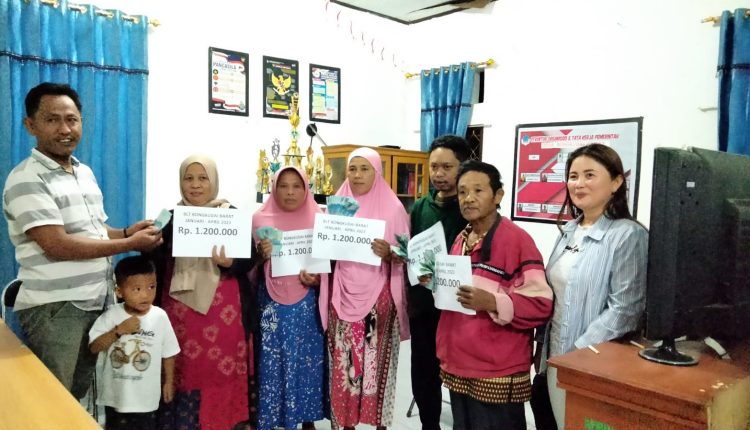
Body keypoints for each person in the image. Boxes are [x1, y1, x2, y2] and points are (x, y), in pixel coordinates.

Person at [2, 82, 162, 399]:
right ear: (30, 125)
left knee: (75, 398)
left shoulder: (83, 172)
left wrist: (127, 232)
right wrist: (130, 244)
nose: (65, 129)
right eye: (52, 120)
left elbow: (95, 232)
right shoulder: (26, 178)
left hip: (93, 302)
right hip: (55, 308)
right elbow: (57, 244)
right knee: (53, 400)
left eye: (72, 119)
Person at [534, 144, 648, 429]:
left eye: (589, 175)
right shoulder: (568, 230)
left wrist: (577, 352)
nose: (578, 183)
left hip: (592, 366)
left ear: (616, 182)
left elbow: (625, 310)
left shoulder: (628, 235)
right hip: (554, 358)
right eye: (573, 176)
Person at [435, 160, 553, 430]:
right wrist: (436, 283)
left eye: (478, 190)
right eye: (462, 192)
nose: (468, 198)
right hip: (458, 360)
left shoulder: (517, 241)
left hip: (497, 368)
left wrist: (493, 302)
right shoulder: (461, 239)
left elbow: (541, 304)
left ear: (498, 195)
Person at [149, 155, 255, 430]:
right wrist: (152, 243)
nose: (195, 185)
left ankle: (220, 421)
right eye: (189, 178)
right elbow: (150, 255)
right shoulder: (169, 217)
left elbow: (250, 257)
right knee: (182, 366)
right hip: (179, 313)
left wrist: (230, 262)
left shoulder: (231, 214)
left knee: (219, 368)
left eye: (202, 178)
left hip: (224, 312)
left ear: (214, 181)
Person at [324, 147, 410, 430]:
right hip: (342, 293)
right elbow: (325, 250)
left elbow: (408, 254)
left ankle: (378, 423)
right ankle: (346, 422)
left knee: (375, 362)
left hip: (379, 297)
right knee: (346, 361)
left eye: (365, 169)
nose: (357, 175)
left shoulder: (393, 208)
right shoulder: (337, 206)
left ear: (377, 172)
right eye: (352, 169)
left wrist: (390, 252)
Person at [251, 166, 327, 430]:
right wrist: (260, 255)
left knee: (307, 361)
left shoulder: (320, 219)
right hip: (271, 304)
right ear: (274, 188)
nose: (290, 192)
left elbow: (331, 266)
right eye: (283, 186)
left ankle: (306, 418)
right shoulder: (259, 220)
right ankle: (273, 416)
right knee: (273, 361)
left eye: (297, 185)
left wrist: (318, 280)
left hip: (307, 304)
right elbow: (247, 267)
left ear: (306, 188)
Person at [408, 135, 470, 429]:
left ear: (463, 167)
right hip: (423, 307)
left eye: (447, 167)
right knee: (423, 373)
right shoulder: (420, 207)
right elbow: (410, 249)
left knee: (461, 376)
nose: (439, 174)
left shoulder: (470, 208)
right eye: (434, 167)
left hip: (458, 308)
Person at [89, 256, 180, 430]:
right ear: (119, 292)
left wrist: (169, 382)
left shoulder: (160, 317)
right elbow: (94, 347)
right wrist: (118, 331)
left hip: (146, 400)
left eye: (151, 287)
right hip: (116, 398)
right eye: (137, 289)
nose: (145, 294)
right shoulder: (112, 315)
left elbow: (169, 352)